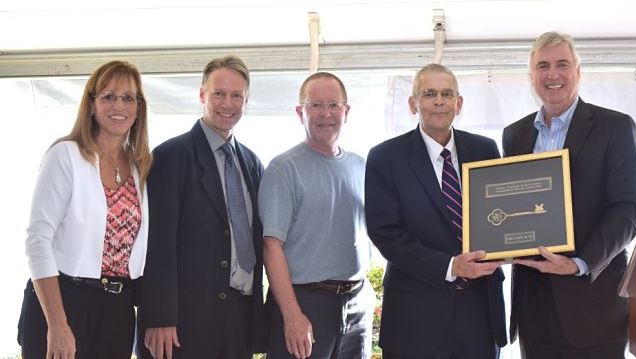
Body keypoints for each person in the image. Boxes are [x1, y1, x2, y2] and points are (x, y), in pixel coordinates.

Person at [502, 31, 636, 359]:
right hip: (533, 308)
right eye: (543, 66)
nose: (552, 74)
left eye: (562, 64)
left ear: (578, 72)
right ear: (531, 77)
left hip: (593, 305)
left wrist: (580, 262)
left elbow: (630, 208)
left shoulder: (616, 127)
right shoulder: (514, 134)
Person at [365, 63, 507, 359]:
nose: (439, 101)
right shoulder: (385, 157)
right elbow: (385, 233)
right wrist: (450, 267)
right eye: (429, 94)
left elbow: (500, 215)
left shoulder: (485, 150)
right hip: (415, 317)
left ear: (459, 102)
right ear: (413, 103)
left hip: (479, 314)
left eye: (446, 94)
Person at [18, 60, 151, 359]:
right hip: (63, 301)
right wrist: (57, 324)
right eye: (108, 96)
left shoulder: (139, 167)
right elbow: (38, 241)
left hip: (117, 309)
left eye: (128, 97)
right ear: (91, 105)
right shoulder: (65, 155)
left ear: (139, 108)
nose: (119, 105)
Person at [136, 55, 266, 359]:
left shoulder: (252, 163)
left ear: (246, 100)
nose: (227, 103)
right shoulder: (170, 157)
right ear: (202, 95)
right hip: (183, 324)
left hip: (239, 319)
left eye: (237, 96)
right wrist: (159, 317)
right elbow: (156, 243)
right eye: (219, 93)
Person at [259, 72, 374, 359]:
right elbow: (271, 247)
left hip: (356, 304)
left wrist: (366, 296)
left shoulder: (362, 167)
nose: (326, 114)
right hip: (305, 303)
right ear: (301, 112)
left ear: (346, 111)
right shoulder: (283, 168)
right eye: (316, 105)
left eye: (334, 105)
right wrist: (293, 315)